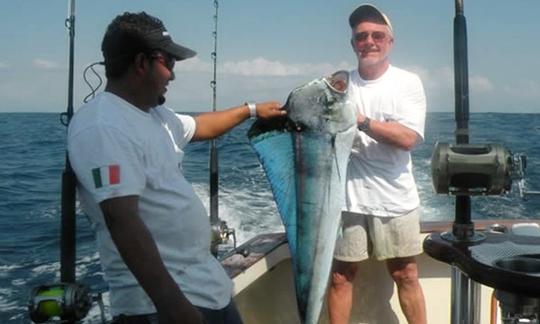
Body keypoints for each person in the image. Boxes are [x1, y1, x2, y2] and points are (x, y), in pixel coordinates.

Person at [67, 12, 285, 324]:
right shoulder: (103, 127)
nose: (172, 75)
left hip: (206, 289)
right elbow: (122, 220)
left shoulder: (155, 115)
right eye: (169, 63)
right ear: (142, 63)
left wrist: (252, 110)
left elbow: (199, 126)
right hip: (159, 307)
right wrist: (173, 306)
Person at [327, 4, 427, 324]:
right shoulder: (338, 85)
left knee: (406, 274)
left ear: (390, 42)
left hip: (395, 196)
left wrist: (362, 121)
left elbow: (409, 138)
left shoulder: (407, 82)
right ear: (352, 43)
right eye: (361, 36)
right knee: (340, 277)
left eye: (377, 35)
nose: (369, 41)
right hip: (347, 198)